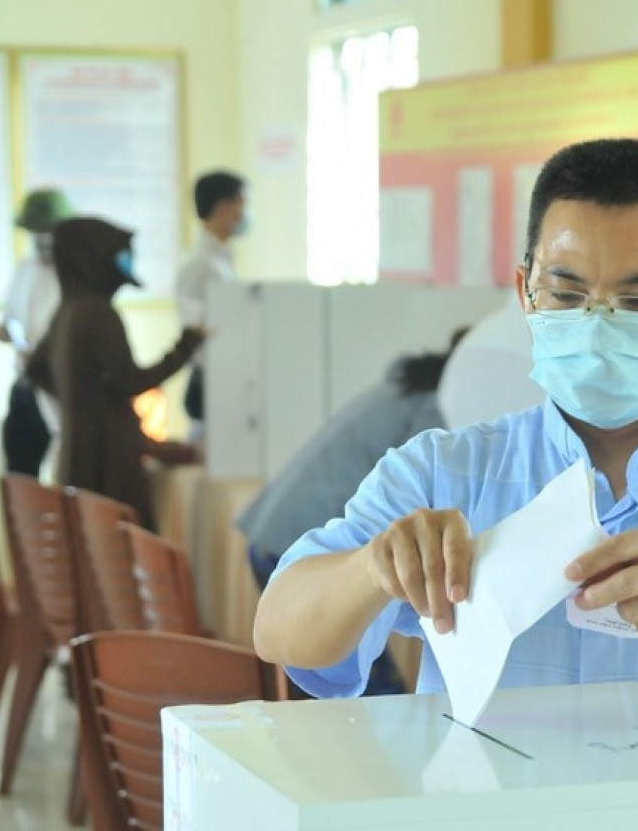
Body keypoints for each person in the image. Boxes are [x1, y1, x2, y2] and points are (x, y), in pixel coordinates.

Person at [253, 138, 638, 737]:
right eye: (567, 294)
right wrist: (373, 568)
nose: (597, 324)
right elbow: (280, 629)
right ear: (525, 293)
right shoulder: (443, 471)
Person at [238, 338, 464, 696]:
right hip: (300, 550)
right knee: (367, 700)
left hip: (278, 531)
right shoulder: (434, 412)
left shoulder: (403, 390)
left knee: (339, 689)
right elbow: (441, 496)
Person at [27, 217, 204, 530]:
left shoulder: (67, 309)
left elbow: (35, 369)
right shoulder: (96, 312)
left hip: (77, 453)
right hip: (110, 462)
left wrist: (80, 403)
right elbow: (131, 381)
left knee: (90, 551)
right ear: (93, 256)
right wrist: (185, 346)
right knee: (120, 554)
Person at [0, 188, 73, 476]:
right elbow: (12, 324)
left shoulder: (75, 277)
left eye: (48, 231)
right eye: (36, 232)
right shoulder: (26, 270)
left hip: (58, 386)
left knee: (63, 472)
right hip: (26, 384)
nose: (42, 239)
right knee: (19, 476)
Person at [175, 170, 247, 439]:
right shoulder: (200, 265)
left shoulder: (219, 261)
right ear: (223, 207)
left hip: (222, 378)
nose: (245, 213)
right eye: (242, 203)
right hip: (211, 382)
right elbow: (196, 331)